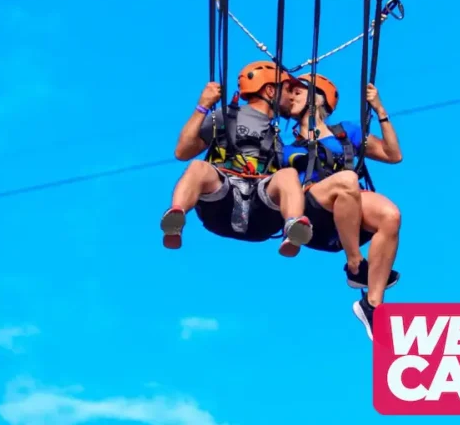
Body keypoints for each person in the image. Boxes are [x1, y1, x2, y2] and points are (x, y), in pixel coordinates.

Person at [281, 72, 403, 340]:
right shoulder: (282, 148)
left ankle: (372, 305)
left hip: (348, 210)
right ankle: (356, 264)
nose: (292, 96)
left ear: (319, 98)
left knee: (390, 215)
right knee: (347, 180)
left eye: (299, 91)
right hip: (312, 211)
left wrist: (380, 111)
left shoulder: (347, 133)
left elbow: (393, 155)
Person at [160, 60, 313, 252]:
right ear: (271, 91)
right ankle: (176, 218)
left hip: (261, 210)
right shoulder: (226, 116)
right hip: (222, 197)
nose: (291, 97)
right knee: (198, 167)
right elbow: (182, 152)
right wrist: (203, 106)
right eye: (288, 90)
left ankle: (293, 228)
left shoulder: (277, 135)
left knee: (289, 174)